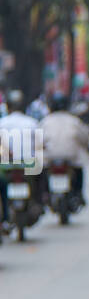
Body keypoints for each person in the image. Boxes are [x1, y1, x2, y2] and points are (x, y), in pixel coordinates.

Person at [40, 94, 89, 203]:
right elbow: (84, 137)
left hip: (50, 156)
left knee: (42, 171)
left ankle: (45, 194)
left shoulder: (46, 121)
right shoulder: (74, 121)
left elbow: (39, 140)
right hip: (71, 156)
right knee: (79, 169)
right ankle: (78, 193)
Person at [0, 90, 41, 222]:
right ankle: (38, 202)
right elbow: (40, 144)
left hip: (7, 165)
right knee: (38, 178)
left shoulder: (2, 122)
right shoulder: (32, 122)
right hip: (29, 164)